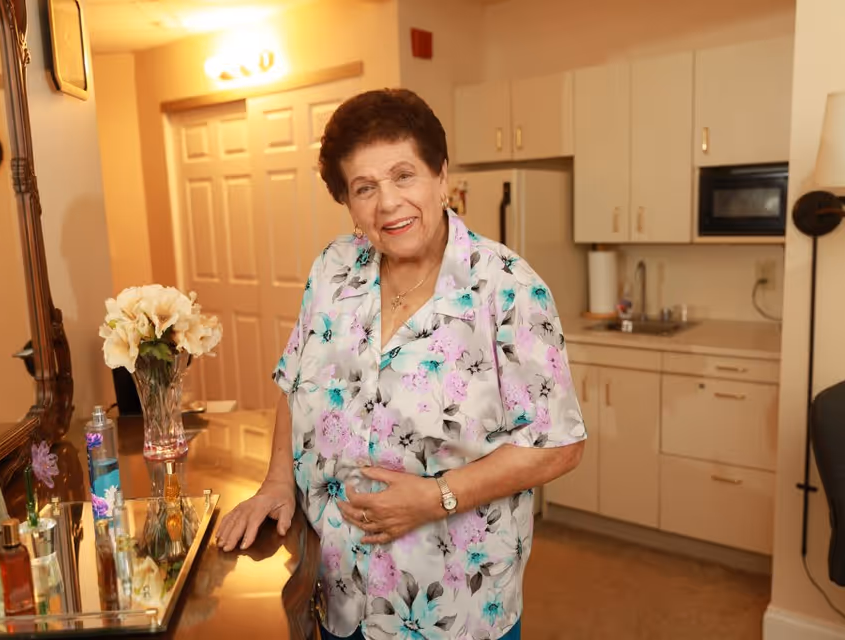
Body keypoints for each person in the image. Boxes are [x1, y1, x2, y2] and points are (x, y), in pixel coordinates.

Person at [216, 88, 586, 640]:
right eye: (365, 188)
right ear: (349, 202)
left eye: (403, 175)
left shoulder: (507, 288)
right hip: (337, 587)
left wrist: (436, 496)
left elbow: (559, 444)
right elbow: (297, 382)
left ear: (441, 176)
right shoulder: (335, 269)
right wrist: (276, 483)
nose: (387, 203)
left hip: (454, 605)